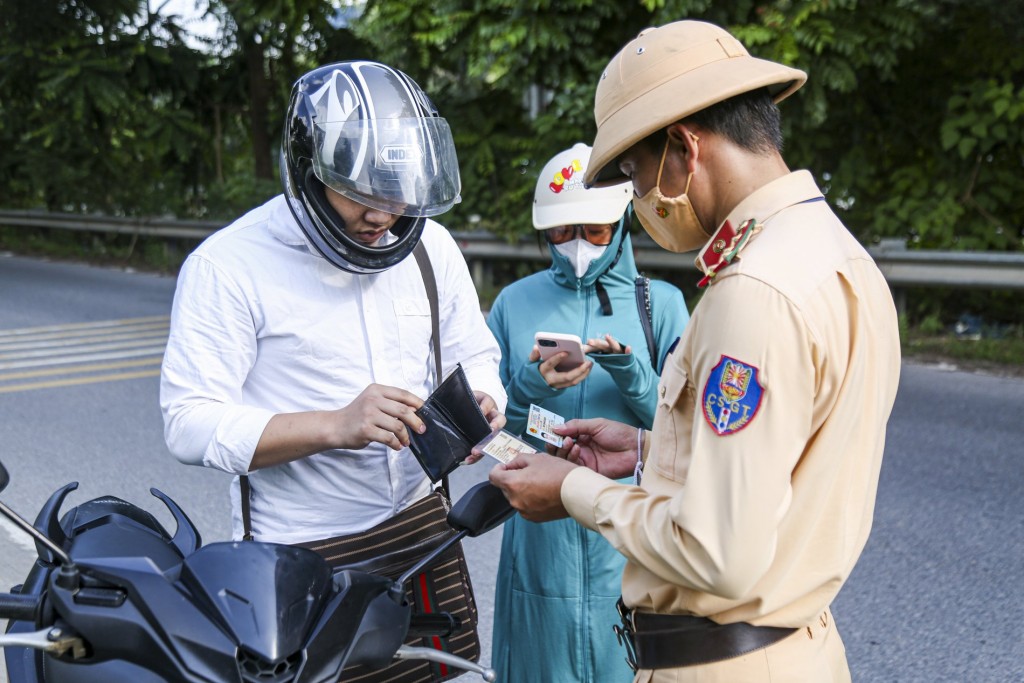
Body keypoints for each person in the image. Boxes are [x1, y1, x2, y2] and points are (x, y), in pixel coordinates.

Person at [489, 20, 901, 682]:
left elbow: (718, 552)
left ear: (683, 146)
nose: (641, 197)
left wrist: (574, 488)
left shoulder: (754, 292)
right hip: (797, 648)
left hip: (722, 662)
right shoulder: (838, 257)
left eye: (634, 170)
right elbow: (785, 464)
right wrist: (649, 451)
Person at [160, 60, 506, 546]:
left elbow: (475, 353)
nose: (382, 215)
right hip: (301, 540)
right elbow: (189, 424)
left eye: (397, 192)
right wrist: (336, 425)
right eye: (361, 192)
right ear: (308, 172)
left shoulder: (433, 247)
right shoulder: (228, 265)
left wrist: (486, 400)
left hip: (423, 517)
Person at [486, 143, 689, 682]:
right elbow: (493, 430)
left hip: (626, 523)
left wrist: (630, 372)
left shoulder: (661, 305)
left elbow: (679, 430)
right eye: (561, 232)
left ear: (622, 224)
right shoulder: (513, 303)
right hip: (538, 529)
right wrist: (528, 386)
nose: (578, 245)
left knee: (629, 662)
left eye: (595, 231)